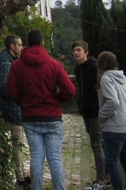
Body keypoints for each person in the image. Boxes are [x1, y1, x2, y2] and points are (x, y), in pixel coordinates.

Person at [7, 30, 76, 190]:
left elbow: (11, 90)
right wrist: (57, 98)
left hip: (30, 117)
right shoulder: (54, 65)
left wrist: (23, 101)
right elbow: (70, 90)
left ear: (27, 44)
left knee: (36, 157)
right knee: (55, 158)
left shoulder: (17, 65)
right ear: (42, 44)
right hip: (52, 116)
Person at [96, 51, 126, 190]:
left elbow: (113, 102)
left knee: (111, 163)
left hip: (115, 127)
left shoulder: (106, 79)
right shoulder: (123, 79)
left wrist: (101, 116)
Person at [73, 40, 108, 190]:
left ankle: (101, 180)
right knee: (98, 142)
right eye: (74, 50)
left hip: (95, 111)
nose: (76, 53)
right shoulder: (77, 69)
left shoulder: (94, 67)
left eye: (79, 50)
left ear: (86, 52)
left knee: (97, 143)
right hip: (86, 110)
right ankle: (106, 174)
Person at [0, 34, 29, 188]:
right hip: (11, 109)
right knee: (16, 144)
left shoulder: (11, 61)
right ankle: (20, 176)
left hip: (13, 107)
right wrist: (19, 96)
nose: (22, 48)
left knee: (17, 144)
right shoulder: (7, 64)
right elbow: (4, 87)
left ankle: (22, 174)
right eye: (20, 45)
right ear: (12, 46)